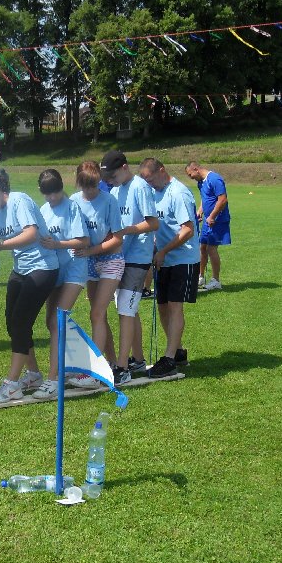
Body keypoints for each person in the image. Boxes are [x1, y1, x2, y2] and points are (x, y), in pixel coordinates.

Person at [0, 171, 60, 402]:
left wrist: (0, 246)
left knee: (21, 321)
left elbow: (31, 234)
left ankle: (12, 385)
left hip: (43, 267)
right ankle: (34, 375)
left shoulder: (20, 200)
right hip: (21, 269)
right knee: (12, 322)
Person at [30, 169, 90, 399]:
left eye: (55, 192)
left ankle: (54, 379)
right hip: (54, 271)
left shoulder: (72, 207)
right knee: (51, 322)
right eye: (48, 194)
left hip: (74, 270)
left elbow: (83, 241)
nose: (52, 197)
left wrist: (58, 244)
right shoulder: (43, 210)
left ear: (61, 188)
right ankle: (70, 367)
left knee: (58, 321)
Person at [100, 150, 159, 385]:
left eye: (113, 176)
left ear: (125, 167)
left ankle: (122, 368)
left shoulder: (140, 187)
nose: (110, 181)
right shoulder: (115, 190)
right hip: (119, 257)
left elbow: (153, 223)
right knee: (127, 310)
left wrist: (126, 231)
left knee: (126, 309)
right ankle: (138, 359)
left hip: (137, 257)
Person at [139, 158, 199, 377]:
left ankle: (169, 358)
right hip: (163, 259)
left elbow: (188, 230)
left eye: (150, 179)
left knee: (174, 306)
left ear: (161, 170)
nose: (149, 184)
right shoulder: (154, 193)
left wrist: (164, 251)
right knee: (162, 306)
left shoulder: (179, 193)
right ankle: (178, 351)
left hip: (183, 259)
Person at [68, 161, 124, 389]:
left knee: (97, 313)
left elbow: (118, 238)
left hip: (111, 259)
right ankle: (109, 363)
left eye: (93, 186)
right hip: (88, 263)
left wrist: (91, 250)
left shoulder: (109, 201)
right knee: (98, 316)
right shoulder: (73, 201)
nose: (90, 191)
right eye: (85, 186)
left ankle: (95, 372)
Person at [185, 161, 231, 291]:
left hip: (218, 220)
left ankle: (216, 280)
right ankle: (200, 277)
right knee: (202, 248)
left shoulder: (214, 179)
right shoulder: (201, 182)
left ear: (196, 169)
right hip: (208, 220)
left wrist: (212, 216)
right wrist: (200, 211)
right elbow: (205, 199)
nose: (190, 177)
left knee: (211, 249)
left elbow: (222, 200)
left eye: (190, 174)